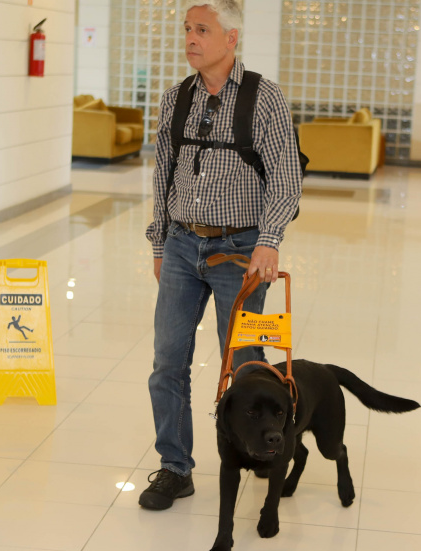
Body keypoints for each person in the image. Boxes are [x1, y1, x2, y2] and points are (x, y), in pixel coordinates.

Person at [139, 0, 302, 511]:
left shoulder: (264, 98)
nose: (190, 37)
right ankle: (174, 468)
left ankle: (256, 448)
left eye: (202, 29)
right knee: (168, 362)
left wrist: (269, 239)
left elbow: (286, 177)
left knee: (248, 362)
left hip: (241, 252)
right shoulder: (175, 99)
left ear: (231, 39)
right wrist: (161, 242)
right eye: (187, 28)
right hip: (184, 245)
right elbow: (163, 173)